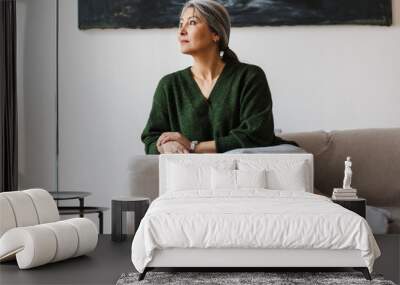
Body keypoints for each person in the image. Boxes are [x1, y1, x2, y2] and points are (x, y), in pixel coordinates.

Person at [141, 0, 298, 154]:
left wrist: (193, 147)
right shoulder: (169, 85)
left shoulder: (249, 77)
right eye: (181, 23)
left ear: (215, 34)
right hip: (190, 176)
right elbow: (151, 138)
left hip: (246, 173)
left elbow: (257, 135)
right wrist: (163, 146)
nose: (182, 31)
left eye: (192, 22)